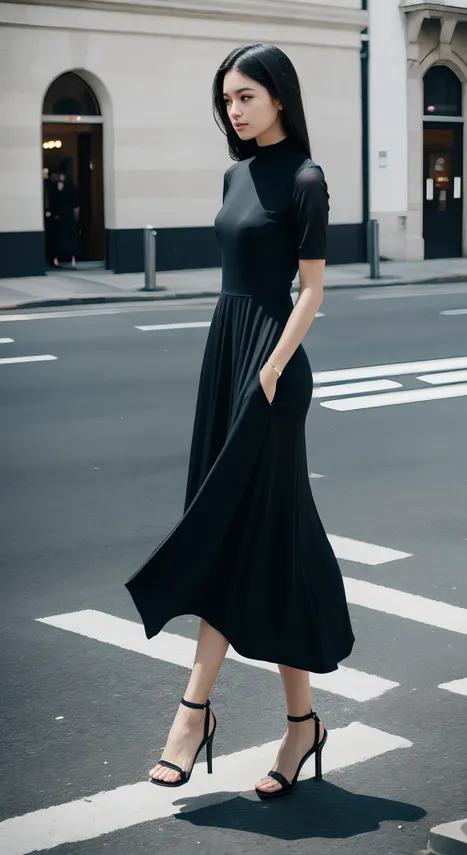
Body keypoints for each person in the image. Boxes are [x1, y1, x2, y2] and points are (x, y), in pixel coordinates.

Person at [126, 42, 355, 799]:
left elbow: (314, 291)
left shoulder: (306, 179)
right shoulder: (235, 173)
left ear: (280, 98)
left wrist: (270, 366)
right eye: (227, 98)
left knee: (229, 530)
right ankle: (301, 726)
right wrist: (237, 361)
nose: (235, 108)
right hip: (226, 359)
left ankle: (192, 714)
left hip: (271, 370)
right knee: (267, 541)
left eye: (247, 96)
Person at [49, 164, 80, 268]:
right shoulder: (55, 188)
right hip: (61, 217)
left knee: (67, 239)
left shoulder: (70, 188)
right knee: (60, 239)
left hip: (65, 217)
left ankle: (68, 259)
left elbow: (76, 205)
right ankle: (58, 259)